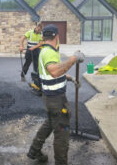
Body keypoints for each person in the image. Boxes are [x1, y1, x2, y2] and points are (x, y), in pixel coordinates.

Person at [27, 24, 84, 165]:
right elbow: (54, 71)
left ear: (43, 37)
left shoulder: (45, 50)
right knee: (62, 133)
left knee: (49, 124)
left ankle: (34, 151)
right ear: (57, 36)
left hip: (49, 99)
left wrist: (69, 78)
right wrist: (73, 59)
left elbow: (51, 74)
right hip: (56, 101)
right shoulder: (49, 53)